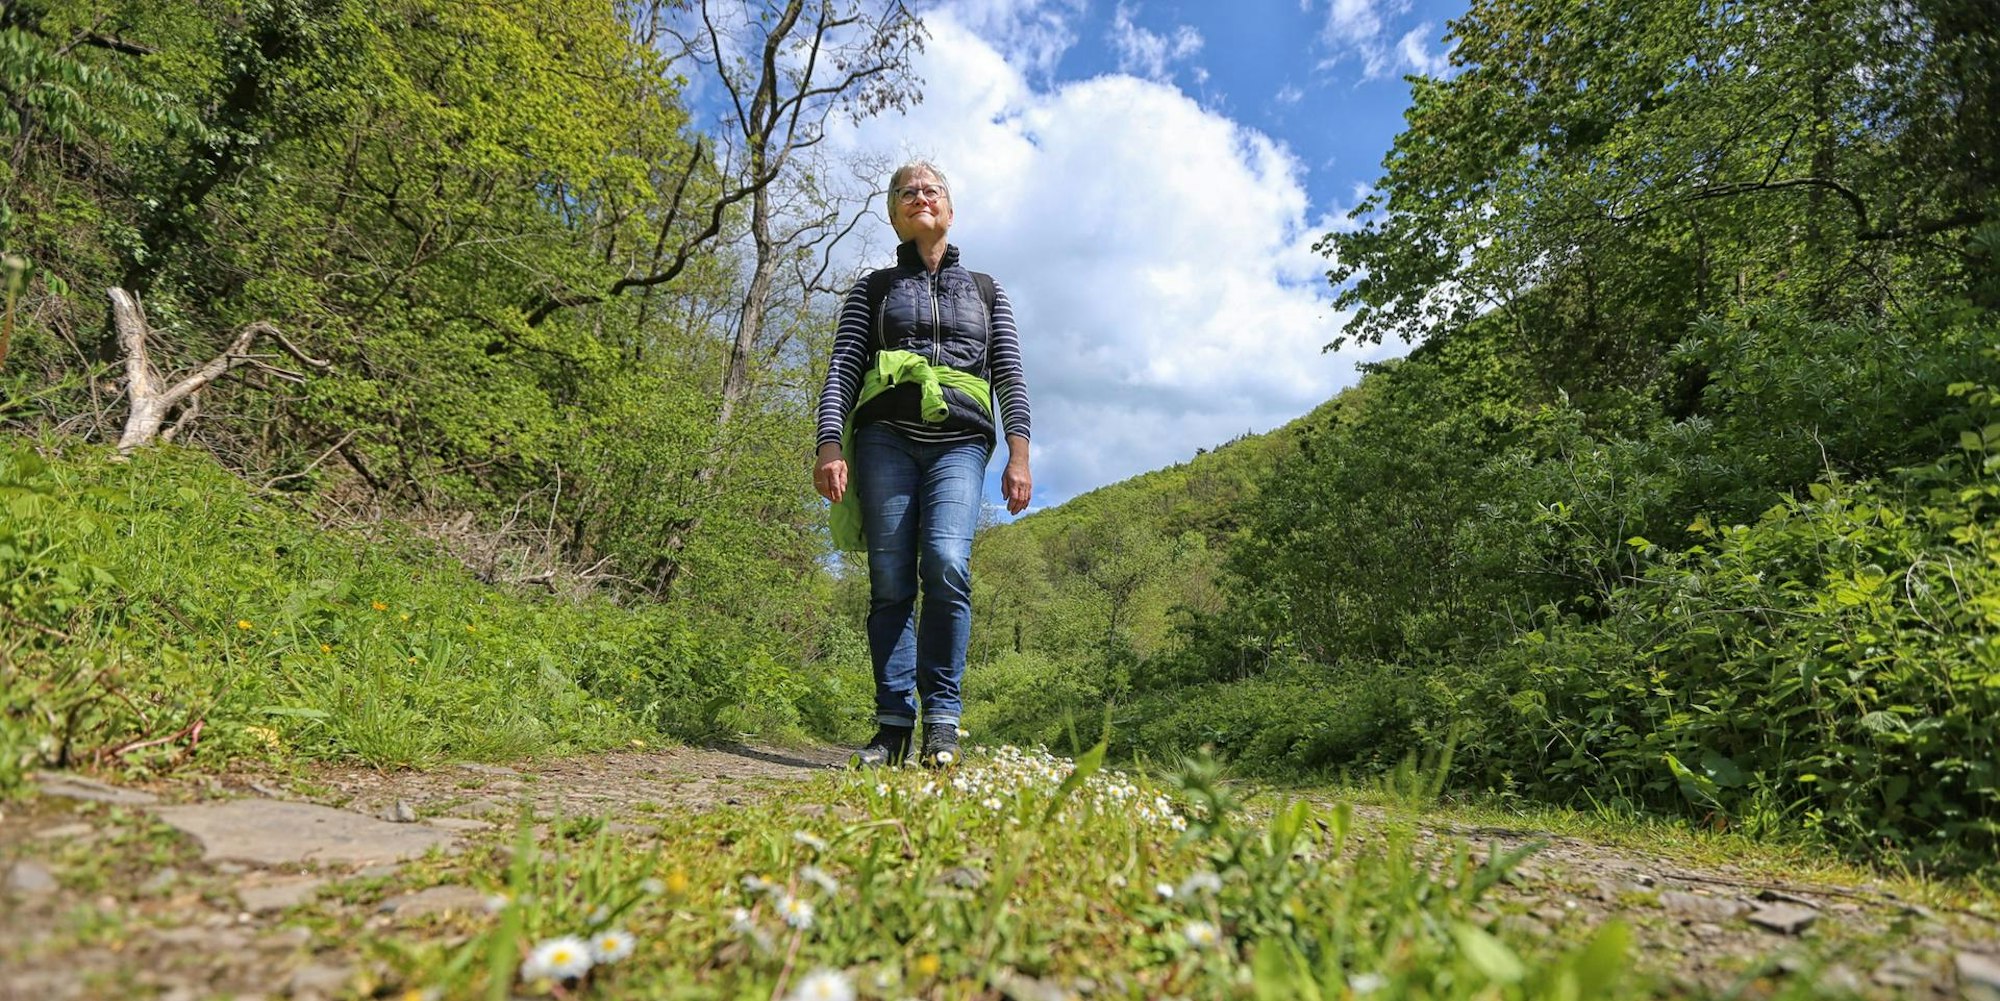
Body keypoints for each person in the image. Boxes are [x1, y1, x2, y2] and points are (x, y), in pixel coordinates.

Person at [813, 159, 1033, 768]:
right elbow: (844, 367)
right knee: (889, 582)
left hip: (961, 439)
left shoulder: (988, 290)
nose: (919, 196)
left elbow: (1009, 374)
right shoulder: (874, 288)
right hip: (884, 436)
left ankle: (942, 720)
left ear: (949, 207)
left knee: (945, 563)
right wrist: (829, 444)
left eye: (930, 189)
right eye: (906, 192)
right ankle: (891, 727)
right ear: (894, 213)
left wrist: (1019, 452)